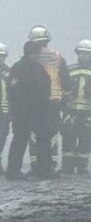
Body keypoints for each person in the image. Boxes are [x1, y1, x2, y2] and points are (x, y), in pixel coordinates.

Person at [61, 40, 91, 174]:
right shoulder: (69, 70)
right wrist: (65, 98)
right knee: (68, 138)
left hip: (89, 112)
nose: (83, 56)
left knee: (85, 139)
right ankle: (67, 166)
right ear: (77, 53)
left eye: (86, 53)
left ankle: (82, 166)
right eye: (81, 53)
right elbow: (61, 88)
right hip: (70, 111)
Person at [6, 41, 54, 180]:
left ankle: (44, 169)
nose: (35, 55)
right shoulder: (18, 68)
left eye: (37, 53)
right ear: (27, 53)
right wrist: (16, 110)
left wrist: (45, 106)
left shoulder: (40, 70)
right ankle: (13, 171)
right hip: (22, 112)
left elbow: (46, 88)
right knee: (20, 140)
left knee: (43, 140)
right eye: (33, 53)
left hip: (39, 112)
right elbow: (12, 90)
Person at [27, 25, 70, 172]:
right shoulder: (58, 56)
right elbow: (66, 79)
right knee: (52, 133)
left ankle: (35, 164)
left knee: (33, 133)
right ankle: (51, 164)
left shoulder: (31, 57)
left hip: (34, 102)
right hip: (54, 100)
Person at [0, 43, 10, 173]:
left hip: (4, 112)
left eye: (2, 56)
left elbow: (16, 91)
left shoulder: (9, 73)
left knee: (2, 136)